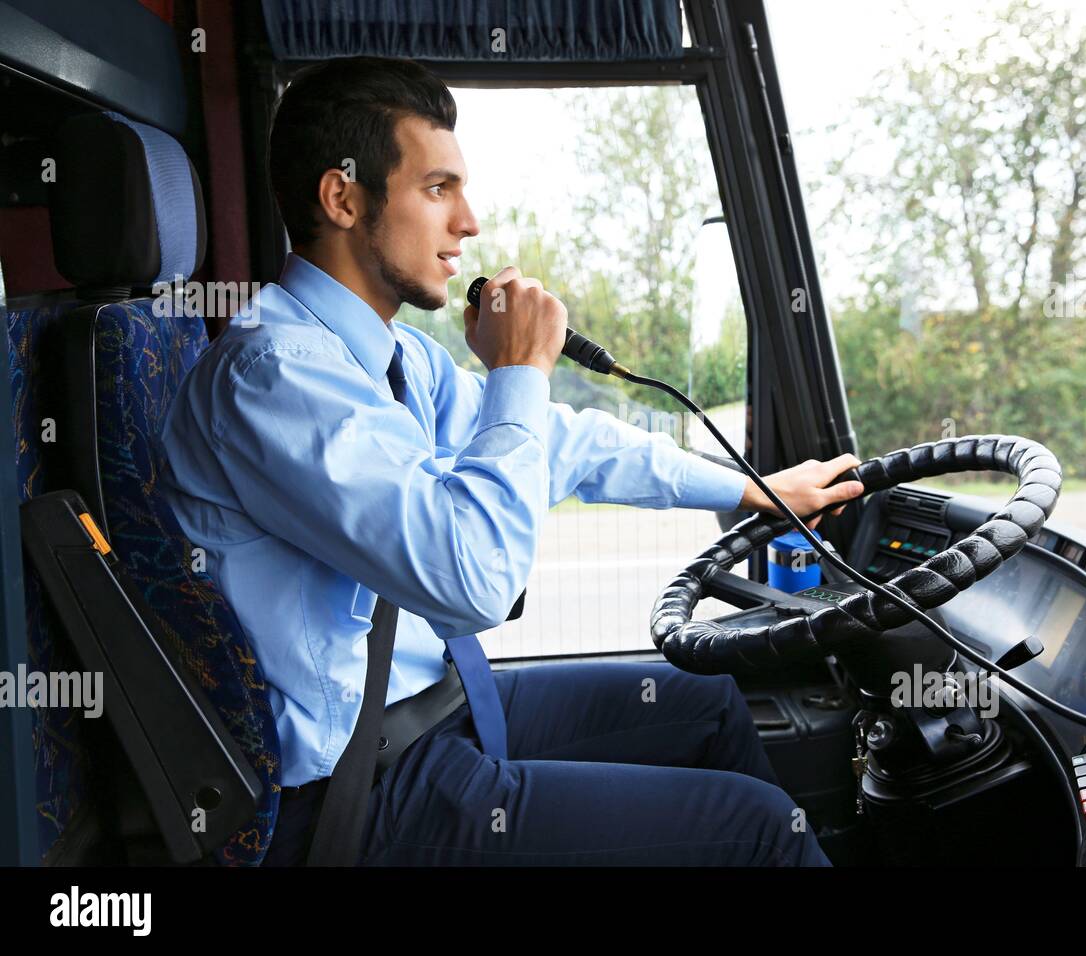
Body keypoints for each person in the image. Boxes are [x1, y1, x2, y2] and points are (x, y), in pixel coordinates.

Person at [159, 56, 863, 866]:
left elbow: (559, 443)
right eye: (438, 189)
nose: (470, 222)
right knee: (763, 832)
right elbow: (475, 581)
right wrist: (518, 372)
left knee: (706, 706)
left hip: (440, 707)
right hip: (365, 790)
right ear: (343, 197)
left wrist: (748, 487)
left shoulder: (394, 359)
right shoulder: (274, 376)